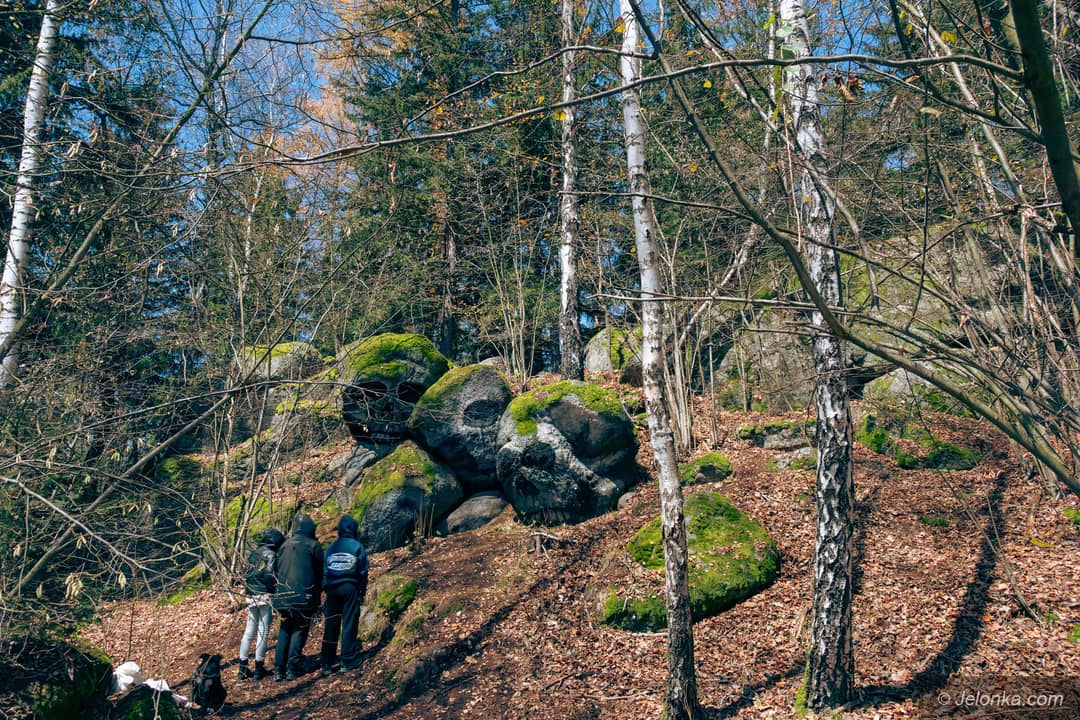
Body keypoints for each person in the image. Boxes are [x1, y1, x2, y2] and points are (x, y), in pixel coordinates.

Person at [272, 513, 323, 681]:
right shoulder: (313, 545)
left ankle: (279, 669)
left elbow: (276, 570)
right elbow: (320, 572)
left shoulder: (284, 545)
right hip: (303, 597)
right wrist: (316, 594)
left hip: (283, 596)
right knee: (299, 630)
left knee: (285, 629)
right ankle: (292, 667)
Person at [320, 514, 368, 676]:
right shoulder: (357, 546)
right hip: (349, 587)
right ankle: (347, 660)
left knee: (331, 624)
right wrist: (362, 591)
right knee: (349, 623)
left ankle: (326, 663)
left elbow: (325, 571)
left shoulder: (331, 547)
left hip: (332, 589)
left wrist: (326, 587)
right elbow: (362, 571)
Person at [237, 527, 285, 681]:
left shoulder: (254, 553)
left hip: (251, 594)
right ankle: (258, 668)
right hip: (264, 595)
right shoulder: (271, 555)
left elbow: (245, 574)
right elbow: (270, 575)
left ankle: (242, 668)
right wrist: (273, 589)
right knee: (263, 631)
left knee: (249, 631)